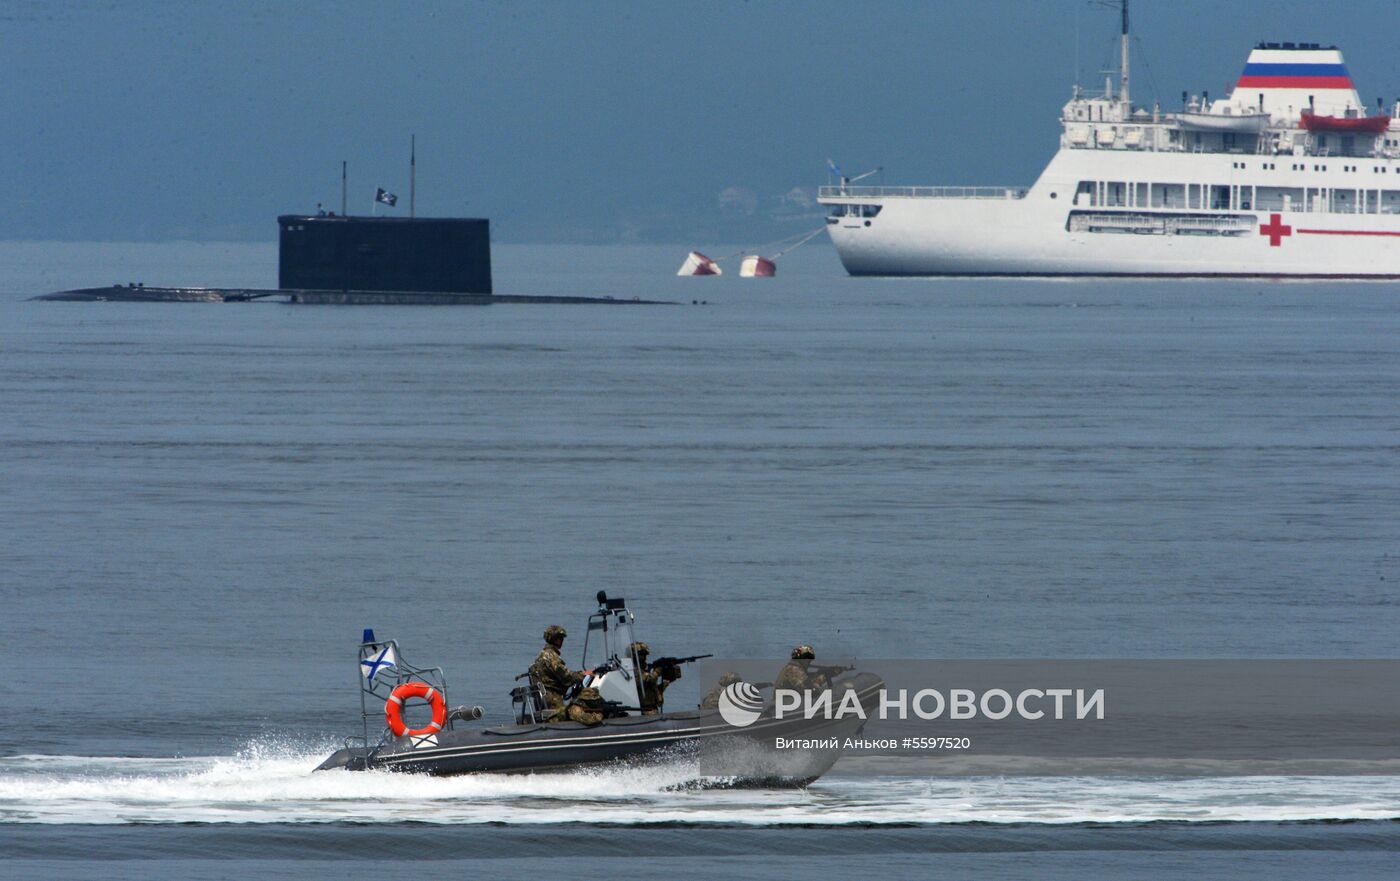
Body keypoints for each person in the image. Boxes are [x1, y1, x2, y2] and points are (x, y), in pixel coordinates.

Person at [529, 625, 591, 722]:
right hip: (553, 700)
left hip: (544, 699)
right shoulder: (551, 656)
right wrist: (585, 675)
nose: (562, 640)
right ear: (554, 639)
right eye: (559, 638)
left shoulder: (541, 656)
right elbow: (567, 677)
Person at [630, 641, 681, 715]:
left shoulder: (647, 668)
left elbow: (651, 688)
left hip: (653, 708)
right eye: (641, 655)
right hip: (643, 710)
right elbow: (646, 680)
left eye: (644, 655)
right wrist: (657, 671)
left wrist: (666, 682)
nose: (644, 658)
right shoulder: (632, 671)